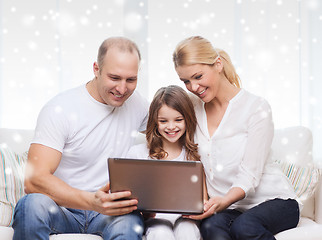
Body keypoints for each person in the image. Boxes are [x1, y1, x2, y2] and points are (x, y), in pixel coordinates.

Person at [13, 37, 149, 240]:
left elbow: (173, 131)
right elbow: (34, 180)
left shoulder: (137, 104)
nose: (122, 89)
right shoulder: (60, 109)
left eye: (131, 80)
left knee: (132, 222)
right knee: (29, 205)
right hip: (62, 210)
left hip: (109, 214)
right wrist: (91, 201)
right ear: (96, 69)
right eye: (114, 78)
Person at [172, 36, 300, 240]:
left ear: (218, 64)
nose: (194, 87)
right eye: (186, 81)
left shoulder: (256, 108)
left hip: (275, 201)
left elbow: (249, 174)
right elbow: (160, 117)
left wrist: (223, 201)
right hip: (231, 207)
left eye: (198, 76)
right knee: (211, 228)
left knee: (244, 227)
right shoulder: (192, 109)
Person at [126, 85, 204, 240]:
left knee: (187, 230)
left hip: (186, 220)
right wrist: (143, 210)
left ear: (187, 119)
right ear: (155, 122)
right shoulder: (139, 153)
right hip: (154, 221)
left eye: (178, 120)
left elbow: (203, 200)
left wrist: (196, 210)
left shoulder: (193, 154)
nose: (171, 126)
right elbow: (128, 199)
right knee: (161, 232)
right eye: (163, 121)